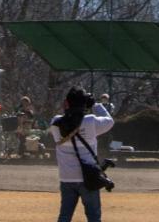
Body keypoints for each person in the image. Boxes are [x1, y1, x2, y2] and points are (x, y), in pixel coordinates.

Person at [49, 85, 114, 222]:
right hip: (88, 177)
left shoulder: (55, 123)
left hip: (66, 177)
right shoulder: (90, 121)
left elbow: (66, 117)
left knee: (65, 216)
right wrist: (95, 104)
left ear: (67, 103)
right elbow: (109, 121)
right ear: (85, 103)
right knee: (93, 217)